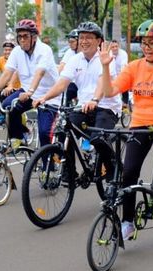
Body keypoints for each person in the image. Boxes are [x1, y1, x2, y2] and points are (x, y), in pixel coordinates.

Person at [100, 19, 153, 240]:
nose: (146, 47)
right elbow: (110, 92)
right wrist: (106, 66)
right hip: (141, 122)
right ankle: (127, 222)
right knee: (128, 173)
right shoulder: (134, 67)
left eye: (152, 43)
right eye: (144, 43)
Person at [33, 21, 121, 185]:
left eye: (89, 37)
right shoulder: (75, 60)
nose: (84, 41)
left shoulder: (107, 58)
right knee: (64, 131)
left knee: (98, 139)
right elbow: (62, 83)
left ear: (98, 41)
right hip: (83, 107)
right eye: (81, 37)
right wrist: (44, 97)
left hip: (106, 106)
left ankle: (112, 170)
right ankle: (70, 173)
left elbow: (103, 82)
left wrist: (95, 99)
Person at [0, 19, 60, 149]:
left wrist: (30, 92)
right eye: (20, 37)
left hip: (48, 96)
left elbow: (39, 73)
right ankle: (18, 138)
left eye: (26, 36)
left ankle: (49, 165)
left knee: (44, 133)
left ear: (34, 37)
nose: (22, 40)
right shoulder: (17, 52)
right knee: (7, 106)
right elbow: (7, 73)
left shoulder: (44, 50)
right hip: (27, 92)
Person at [58, 29, 80, 106]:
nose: (70, 44)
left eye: (72, 42)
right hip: (72, 83)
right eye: (69, 42)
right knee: (68, 94)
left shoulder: (85, 52)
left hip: (83, 82)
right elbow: (62, 66)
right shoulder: (69, 52)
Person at [109, 39, 130, 106]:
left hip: (121, 73)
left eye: (116, 46)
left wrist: (120, 79)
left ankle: (125, 103)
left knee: (124, 82)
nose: (115, 48)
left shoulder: (123, 53)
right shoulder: (108, 54)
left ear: (119, 46)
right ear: (110, 47)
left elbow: (123, 67)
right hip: (111, 75)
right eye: (113, 47)